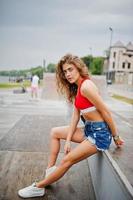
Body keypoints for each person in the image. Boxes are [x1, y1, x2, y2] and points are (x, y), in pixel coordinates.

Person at [18, 54, 124, 198]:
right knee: (54, 132)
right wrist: (67, 140)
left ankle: (39, 186)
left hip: (100, 135)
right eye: (65, 71)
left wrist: (115, 136)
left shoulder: (86, 86)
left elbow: (105, 112)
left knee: (67, 160)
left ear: (79, 68)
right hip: (89, 129)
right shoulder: (78, 87)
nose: (67, 74)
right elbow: (75, 116)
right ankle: (50, 172)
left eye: (70, 69)